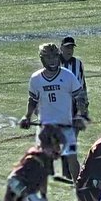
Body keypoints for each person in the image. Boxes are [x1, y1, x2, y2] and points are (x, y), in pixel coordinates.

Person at [19, 42, 87, 183]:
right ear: (42, 59)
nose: (52, 61)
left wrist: (80, 114)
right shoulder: (36, 78)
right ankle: (39, 191)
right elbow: (32, 100)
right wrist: (27, 116)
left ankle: (79, 188)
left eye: (55, 57)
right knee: (41, 159)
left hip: (66, 125)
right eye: (48, 58)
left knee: (72, 158)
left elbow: (80, 97)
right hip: (45, 127)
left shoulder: (67, 76)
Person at [59, 36, 89, 120]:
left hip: (74, 103)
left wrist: (85, 103)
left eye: (71, 48)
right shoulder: (54, 63)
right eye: (67, 47)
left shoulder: (78, 64)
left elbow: (82, 84)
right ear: (61, 48)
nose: (70, 50)